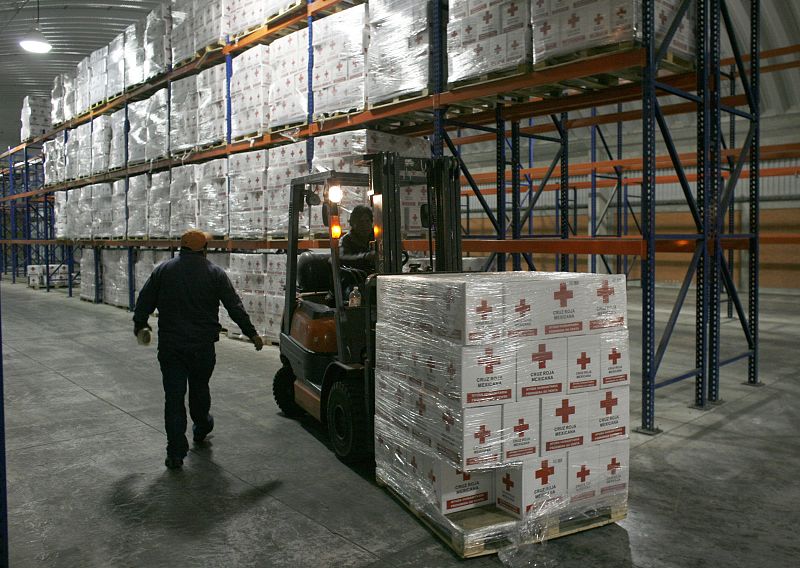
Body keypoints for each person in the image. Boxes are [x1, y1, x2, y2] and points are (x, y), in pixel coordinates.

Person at [133, 230, 264, 470]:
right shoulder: (215, 273)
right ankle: (202, 426)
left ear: (181, 248)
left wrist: (140, 324)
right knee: (199, 388)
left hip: (171, 347)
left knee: (173, 398)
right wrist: (251, 333)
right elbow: (234, 306)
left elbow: (144, 300)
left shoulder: (163, 270)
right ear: (204, 249)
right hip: (202, 347)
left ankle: (175, 453)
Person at [339, 204, 375, 271]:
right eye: (361, 221)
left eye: (367, 221)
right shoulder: (346, 240)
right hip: (357, 278)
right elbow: (342, 258)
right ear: (353, 223)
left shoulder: (378, 237)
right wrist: (365, 257)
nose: (364, 225)